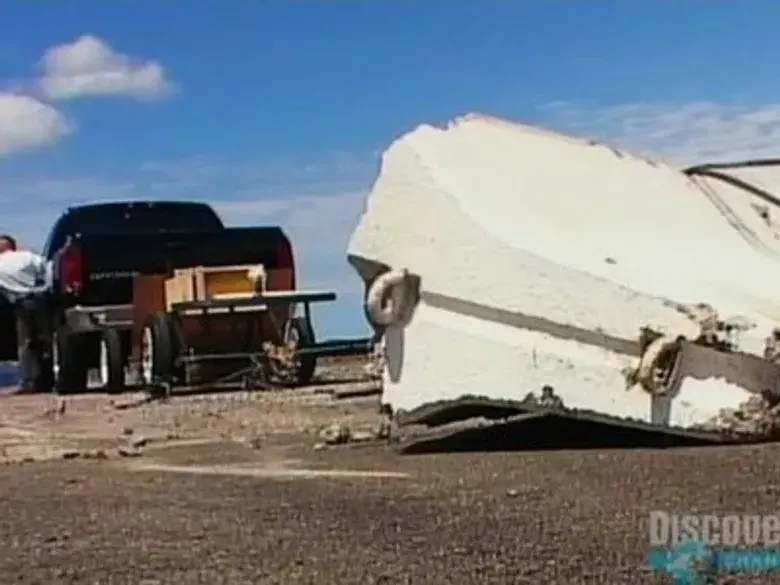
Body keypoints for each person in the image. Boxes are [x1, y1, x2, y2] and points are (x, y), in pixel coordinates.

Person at [0, 235, 53, 392]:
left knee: (25, 343)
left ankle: (29, 381)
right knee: (46, 339)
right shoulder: (28, 256)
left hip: (21, 303)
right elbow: (47, 268)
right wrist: (46, 286)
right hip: (40, 299)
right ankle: (48, 379)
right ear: (13, 246)